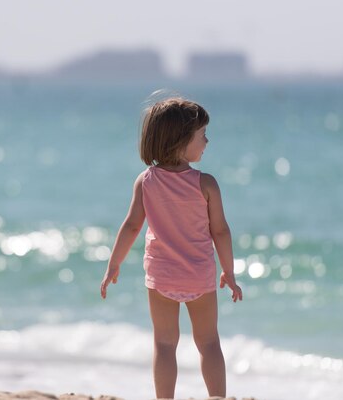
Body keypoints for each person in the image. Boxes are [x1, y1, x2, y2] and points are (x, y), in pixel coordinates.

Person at [100, 96, 242, 399]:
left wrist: (114, 264)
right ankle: (217, 397)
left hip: (162, 275)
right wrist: (228, 271)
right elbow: (221, 231)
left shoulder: (146, 181)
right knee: (208, 343)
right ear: (180, 141)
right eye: (201, 135)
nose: (207, 140)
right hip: (199, 275)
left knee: (164, 344)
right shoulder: (206, 184)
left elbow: (131, 226)